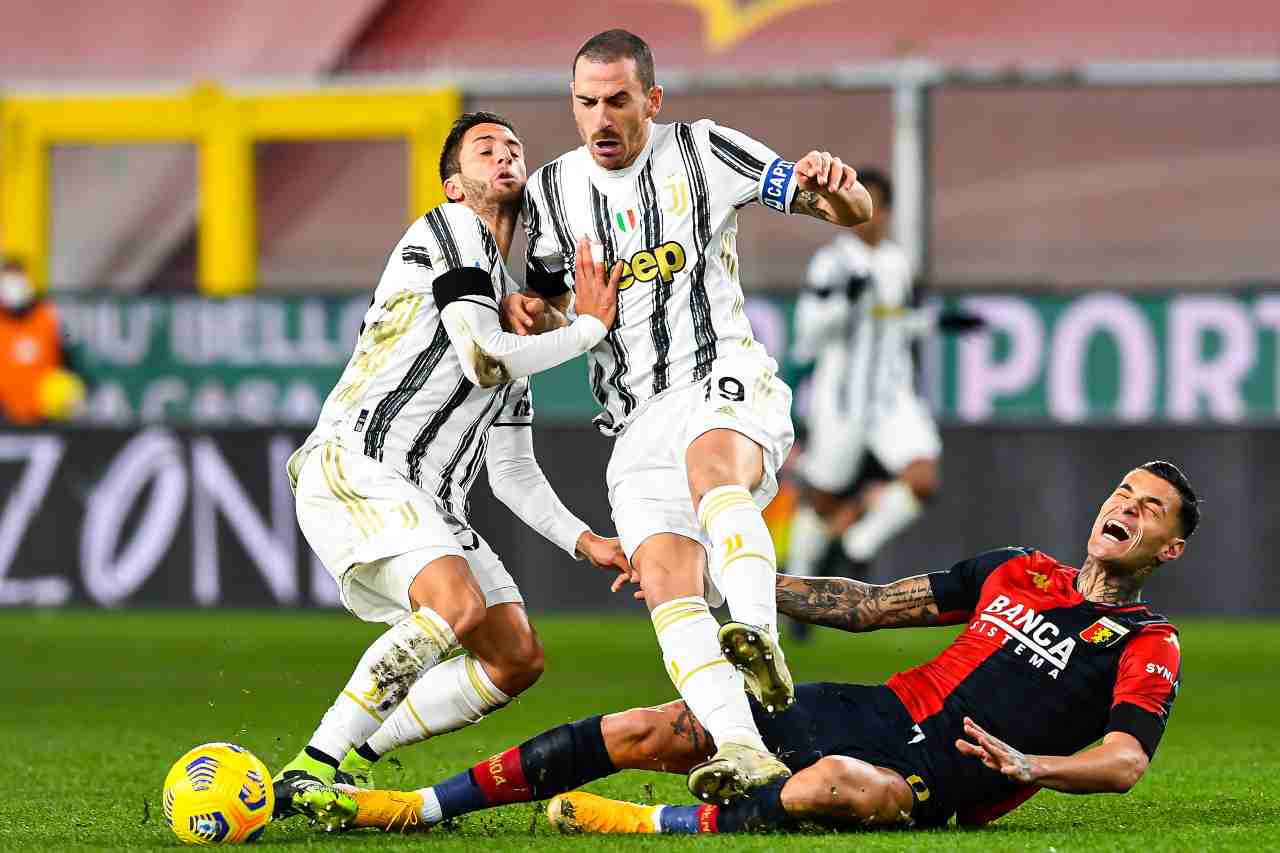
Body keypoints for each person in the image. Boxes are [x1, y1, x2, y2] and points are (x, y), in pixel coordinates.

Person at [295, 461, 1193, 835]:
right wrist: (724, 589)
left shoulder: (1148, 641)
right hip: (880, 708)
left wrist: (1027, 762)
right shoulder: (1019, 571)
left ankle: (648, 823)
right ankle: (414, 806)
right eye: (1125, 490)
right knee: (657, 727)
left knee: (830, 784)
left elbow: (1120, 762)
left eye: (1151, 508)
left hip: (958, 772)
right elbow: (872, 603)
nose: (1127, 506)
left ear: (1169, 549)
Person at [502, 28, 874, 803]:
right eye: (586, 103)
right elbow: (546, 308)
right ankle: (744, 745)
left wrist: (836, 185)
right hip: (632, 422)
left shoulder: (705, 151)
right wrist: (542, 316)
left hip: (720, 375)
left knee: (714, 470)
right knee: (670, 582)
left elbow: (851, 210)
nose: (601, 119)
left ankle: (760, 639)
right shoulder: (550, 192)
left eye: (617, 101)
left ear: (652, 100)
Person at [271, 111, 632, 820]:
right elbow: (481, 360)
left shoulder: (510, 314)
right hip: (361, 460)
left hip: (432, 500)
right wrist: (588, 326)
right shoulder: (449, 230)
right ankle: (307, 767)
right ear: (454, 185)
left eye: (514, 149)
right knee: (454, 604)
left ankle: (351, 761)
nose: (506, 157)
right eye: (485, 149)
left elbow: (513, 472)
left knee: (514, 657)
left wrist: (587, 542)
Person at [786, 167, 964, 589]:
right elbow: (809, 332)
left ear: (886, 211)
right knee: (823, 501)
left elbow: (898, 323)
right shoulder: (832, 263)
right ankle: (795, 585)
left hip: (891, 399)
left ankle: (857, 547)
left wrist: (940, 322)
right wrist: (844, 303)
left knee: (923, 477)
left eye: (874, 205)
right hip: (841, 402)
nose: (866, 213)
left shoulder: (896, 263)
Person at [0, 257, 83, 424]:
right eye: (8, 278)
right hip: (6, 417)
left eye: (17, 277)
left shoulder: (48, 317)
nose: (13, 285)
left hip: (46, 416)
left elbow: (69, 363)